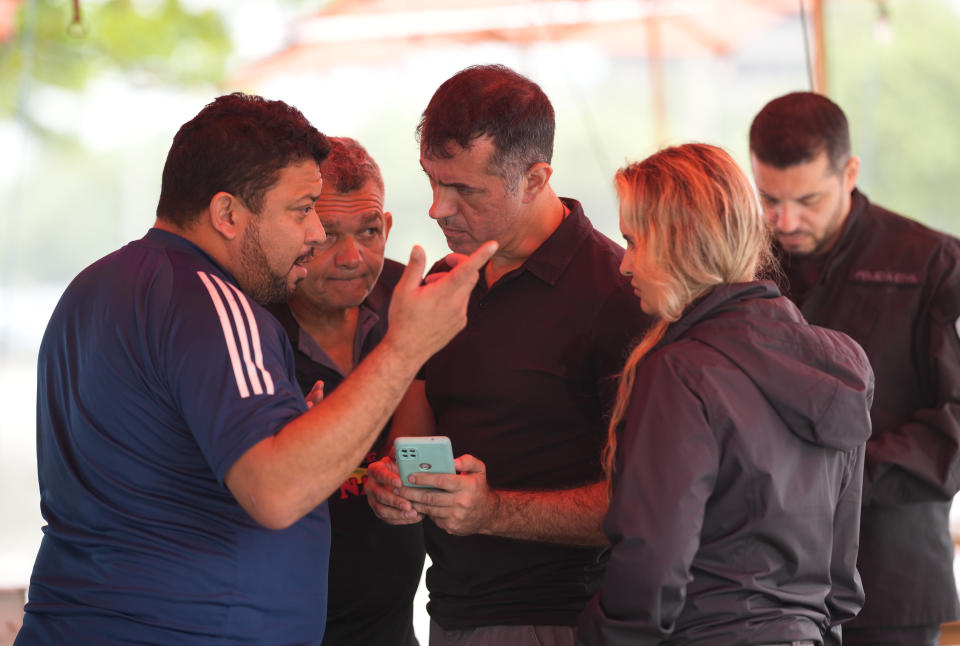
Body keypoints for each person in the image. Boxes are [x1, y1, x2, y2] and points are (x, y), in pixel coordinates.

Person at [15, 93, 496, 645]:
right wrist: (407, 346)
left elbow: (168, 460)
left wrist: (297, 432)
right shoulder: (215, 303)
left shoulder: (96, 286)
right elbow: (277, 492)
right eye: (301, 209)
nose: (315, 233)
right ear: (227, 214)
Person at [366, 64, 651, 646]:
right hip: (446, 607)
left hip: (564, 615)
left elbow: (643, 501)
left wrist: (493, 510)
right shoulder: (444, 282)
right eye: (432, 179)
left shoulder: (619, 292)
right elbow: (415, 437)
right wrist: (394, 482)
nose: (438, 208)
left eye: (465, 190)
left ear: (536, 176)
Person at [576, 143, 874, 645]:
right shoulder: (840, 361)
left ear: (679, 241)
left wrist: (601, 637)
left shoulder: (681, 370)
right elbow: (840, 575)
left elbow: (652, 556)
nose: (625, 264)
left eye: (634, 240)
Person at [749, 91, 960, 646]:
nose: (785, 220)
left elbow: (956, 423)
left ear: (850, 172)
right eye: (769, 198)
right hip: (763, 584)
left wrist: (834, 479)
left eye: (808, 199)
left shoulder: (932, 263)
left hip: (891, 577)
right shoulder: (743, 262)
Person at [267, 136, 423, 646]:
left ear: (389, 227)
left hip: (395, 625)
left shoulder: (416, 306)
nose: (352, 257)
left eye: (370, 231)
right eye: (329, 235)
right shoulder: (249, 323)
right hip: (272, 625)